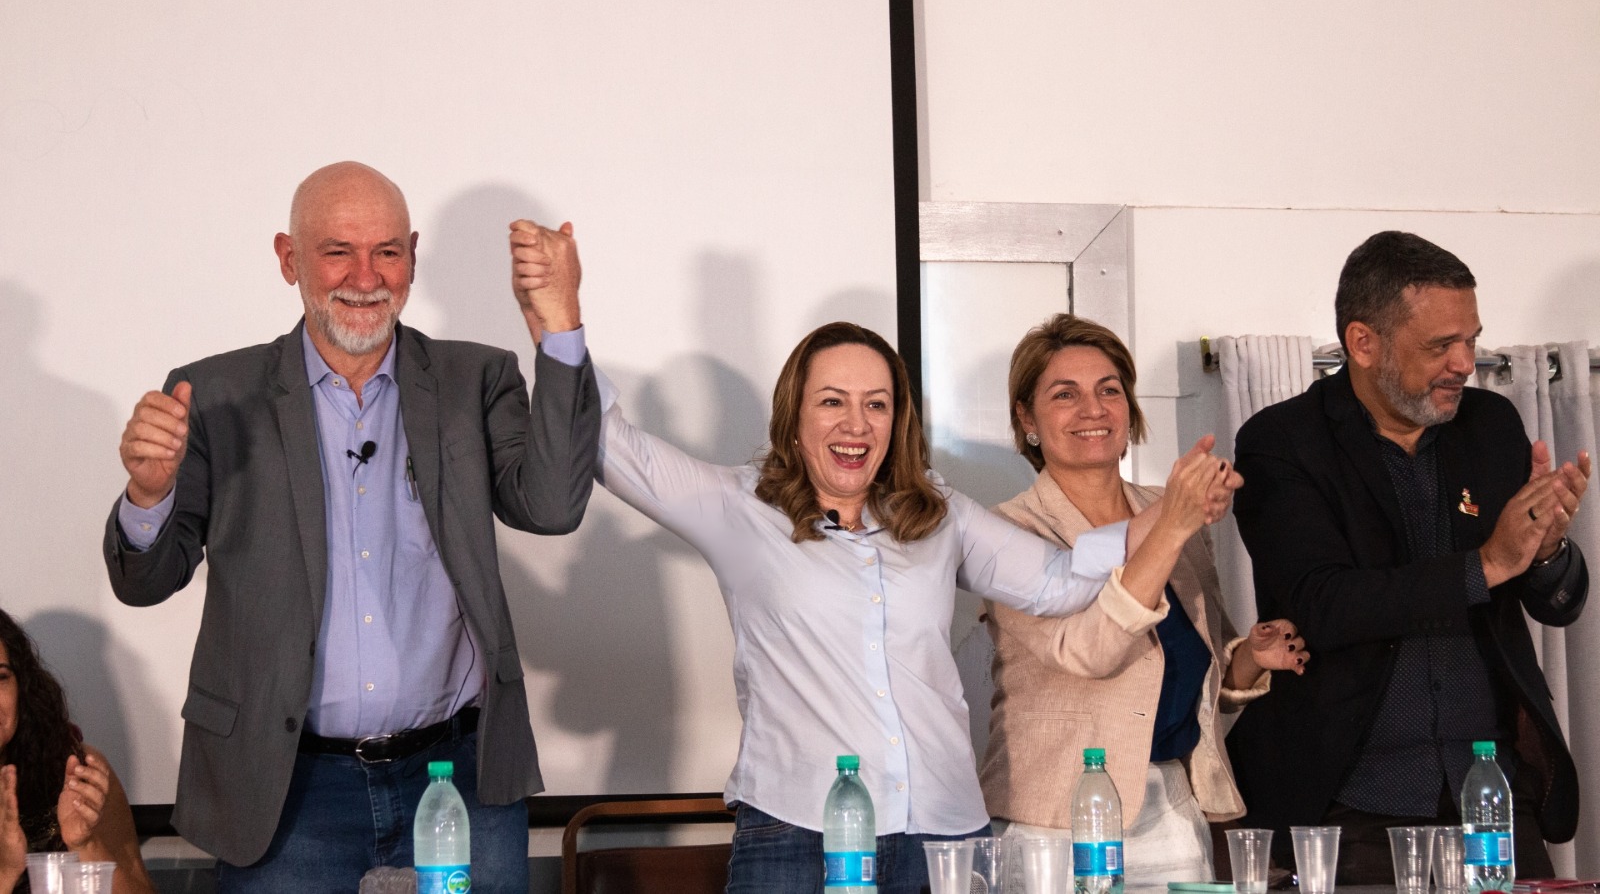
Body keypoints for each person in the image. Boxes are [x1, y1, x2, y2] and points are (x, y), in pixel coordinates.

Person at [533, 209, 1240, 889]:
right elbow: (612, 446)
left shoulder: (937, 513)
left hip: (943, 836)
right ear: (796, 414)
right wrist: (560, 315)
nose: (857, 423)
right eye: (832, 401)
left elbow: (1058, 579)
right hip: (795, 837)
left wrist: (1170, 513)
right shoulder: (740, 507)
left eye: (877, 403)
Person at [103, 162, 600, 891]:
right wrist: (148, 492)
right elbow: (145, 581)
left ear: (412, 257)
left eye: (388, 251)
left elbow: (553, 506)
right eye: (338, 250)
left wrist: (561, 325)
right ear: (288, 258)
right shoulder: (214, 394)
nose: (365, 275)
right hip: (284, 785)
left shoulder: (475, 380)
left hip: (455, 775)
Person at [1226, 231, 1590, 880]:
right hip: (1347, 811)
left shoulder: (1491, 424)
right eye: (1439, 346)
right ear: (1362, 343)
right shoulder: (1283, 443)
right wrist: (1488, 565)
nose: (1464, 363)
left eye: (1472, 340)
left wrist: (1547, 549)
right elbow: (1324, 605)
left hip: (1495, 799)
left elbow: (1557, 604)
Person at [977, 314, 1306, 883]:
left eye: (1110, 390)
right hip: (1052, 825)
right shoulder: (1004, 533)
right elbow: (1091, 652)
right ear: (1026, 419)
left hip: (1175, 807)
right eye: (1065, 394)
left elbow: (1194, 669)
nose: (1094, 409)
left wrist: (1251, 656)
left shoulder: (1171, 505)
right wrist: (1171, 525)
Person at [0, 610, 157, 894]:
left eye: (0, 677)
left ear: (21, 686)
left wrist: (85, 844)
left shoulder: (73, 770)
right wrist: (5, 873)